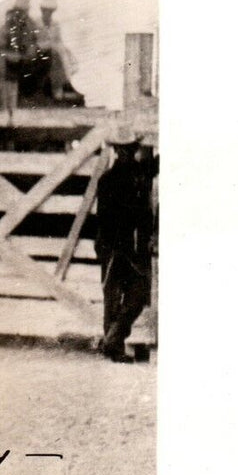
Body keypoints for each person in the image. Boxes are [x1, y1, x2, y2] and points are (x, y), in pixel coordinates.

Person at [94, 127, 157, 363]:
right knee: (116, 296)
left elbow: (155, 166)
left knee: (136, 295)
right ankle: (114, 346)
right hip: (116, 246)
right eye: (124, 149)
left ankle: (112, 340)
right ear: (118, 150)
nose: (128, 153)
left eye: (131, 149)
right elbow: (105, 217)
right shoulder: (113, 179)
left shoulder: (136, 174)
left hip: (127, 246)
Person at [33, 0, 84, 103]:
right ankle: (58, 88)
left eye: (50, 11)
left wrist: (63, 49)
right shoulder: (36, 23)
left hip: (53, 50)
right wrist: (49, 45)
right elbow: (34, 41)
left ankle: (65, 83)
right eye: (46, 11)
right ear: (42, 10)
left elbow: (59, 40)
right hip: (40, 51)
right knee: (56, 55)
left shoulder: (55, 24)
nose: (48, 13)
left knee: (64, 54)